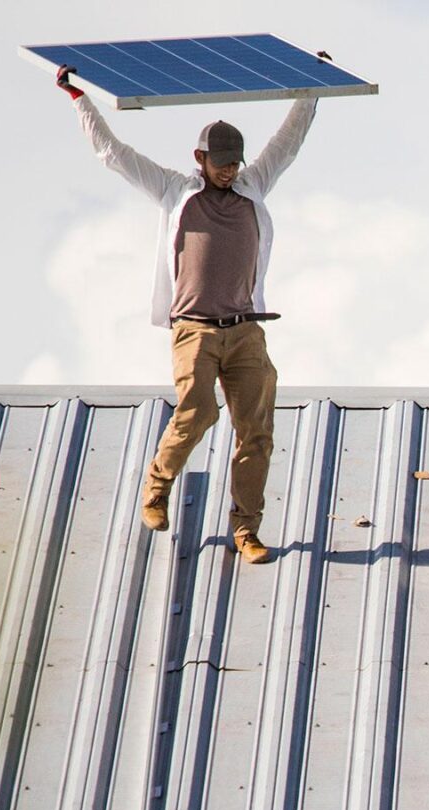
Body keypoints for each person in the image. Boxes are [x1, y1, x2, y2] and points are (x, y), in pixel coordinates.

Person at [54, 64, 319, 565]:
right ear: (200, 158)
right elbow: (114, 154)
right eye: (220, 162)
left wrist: (312, 93)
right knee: (197, 412)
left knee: (256, 433)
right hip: (195, 331)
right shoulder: (177, 191)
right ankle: (156, 487)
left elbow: (287, 143)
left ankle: (246, 530)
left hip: (245, 332)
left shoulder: (253, 188)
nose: (230, 170)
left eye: (235, 162)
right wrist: (79, 100)